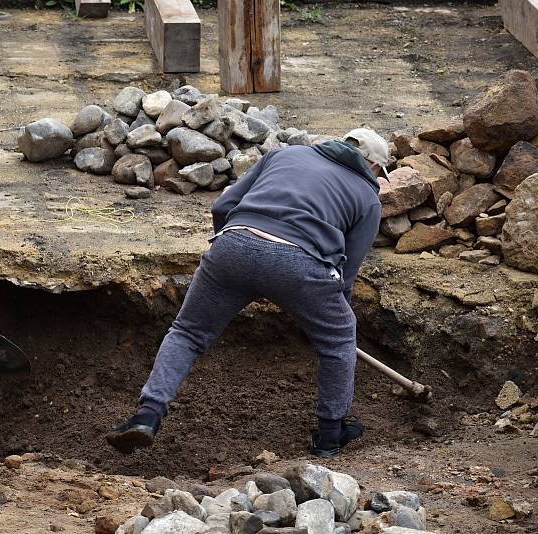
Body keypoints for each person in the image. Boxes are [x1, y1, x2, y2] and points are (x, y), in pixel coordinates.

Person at [106, 128, 388, 458]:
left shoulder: (283, 155)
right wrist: (320, 311)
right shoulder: (368, 198)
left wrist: (237, 259)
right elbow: (346, 275)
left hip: (232, 244)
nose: (378, 179)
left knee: (187, 332)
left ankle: (147, 415)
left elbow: (223, 206)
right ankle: (329, 437)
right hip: (302, 264)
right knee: (340, 339)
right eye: (379, 173)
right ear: (371, 165)